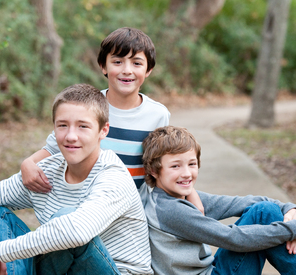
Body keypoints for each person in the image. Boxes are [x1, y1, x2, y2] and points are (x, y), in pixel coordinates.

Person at [0, 84, 153, 275]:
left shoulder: (113, 176)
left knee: (66, 222)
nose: (71, 136)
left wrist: (0, 250)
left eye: (83, 126)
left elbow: (76, 231)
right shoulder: (47, 172)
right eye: (63, 125)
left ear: (103, 130)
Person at [140, 125, 296, 275]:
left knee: (265, 210)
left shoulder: (166, 197)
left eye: (192, 164)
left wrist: (290, 209)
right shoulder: (171, 210)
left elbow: (240, 203)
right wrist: (292, 229)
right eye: (175, 166)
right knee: (266, 215)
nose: (186, 173)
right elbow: (233, 238)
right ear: (154, 171)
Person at [19, 27, 205, 214]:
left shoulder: (157, 114)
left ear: (148, 70)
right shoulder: (88, 106)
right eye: (117, 62)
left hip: (131, 211)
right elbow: (53, 147)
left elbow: (167, 161)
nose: (127, 70)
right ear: (103, 66)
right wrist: (28, 163)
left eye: (136, 63)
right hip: (86, 206)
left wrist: (191, 195)